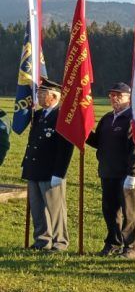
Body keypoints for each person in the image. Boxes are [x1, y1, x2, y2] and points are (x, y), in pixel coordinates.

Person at [21, 78, 74, 252]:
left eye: (42, 93)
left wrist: (59, 173)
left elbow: (65, 148)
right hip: (34, 169)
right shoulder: (38, 115)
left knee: (55, 209)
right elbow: (33, 142)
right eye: (39, 93)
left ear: (54, 96)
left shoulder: (61, 117)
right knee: (37, 209)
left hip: (51, 171)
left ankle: (60, 242)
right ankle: (42, 240)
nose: (38, 96)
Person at [85, 82, 135, 258]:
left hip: (125, 173)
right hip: (107, 171)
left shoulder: (133, 119)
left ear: (129, 98)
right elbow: (98, 142)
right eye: (112, 95)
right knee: (109, 210)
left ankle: (129, 246)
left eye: (119, 96)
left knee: (128, 211)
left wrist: (132, 173)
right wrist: (83, 131)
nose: (114, 99)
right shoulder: (107, 118)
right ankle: (113, 242)